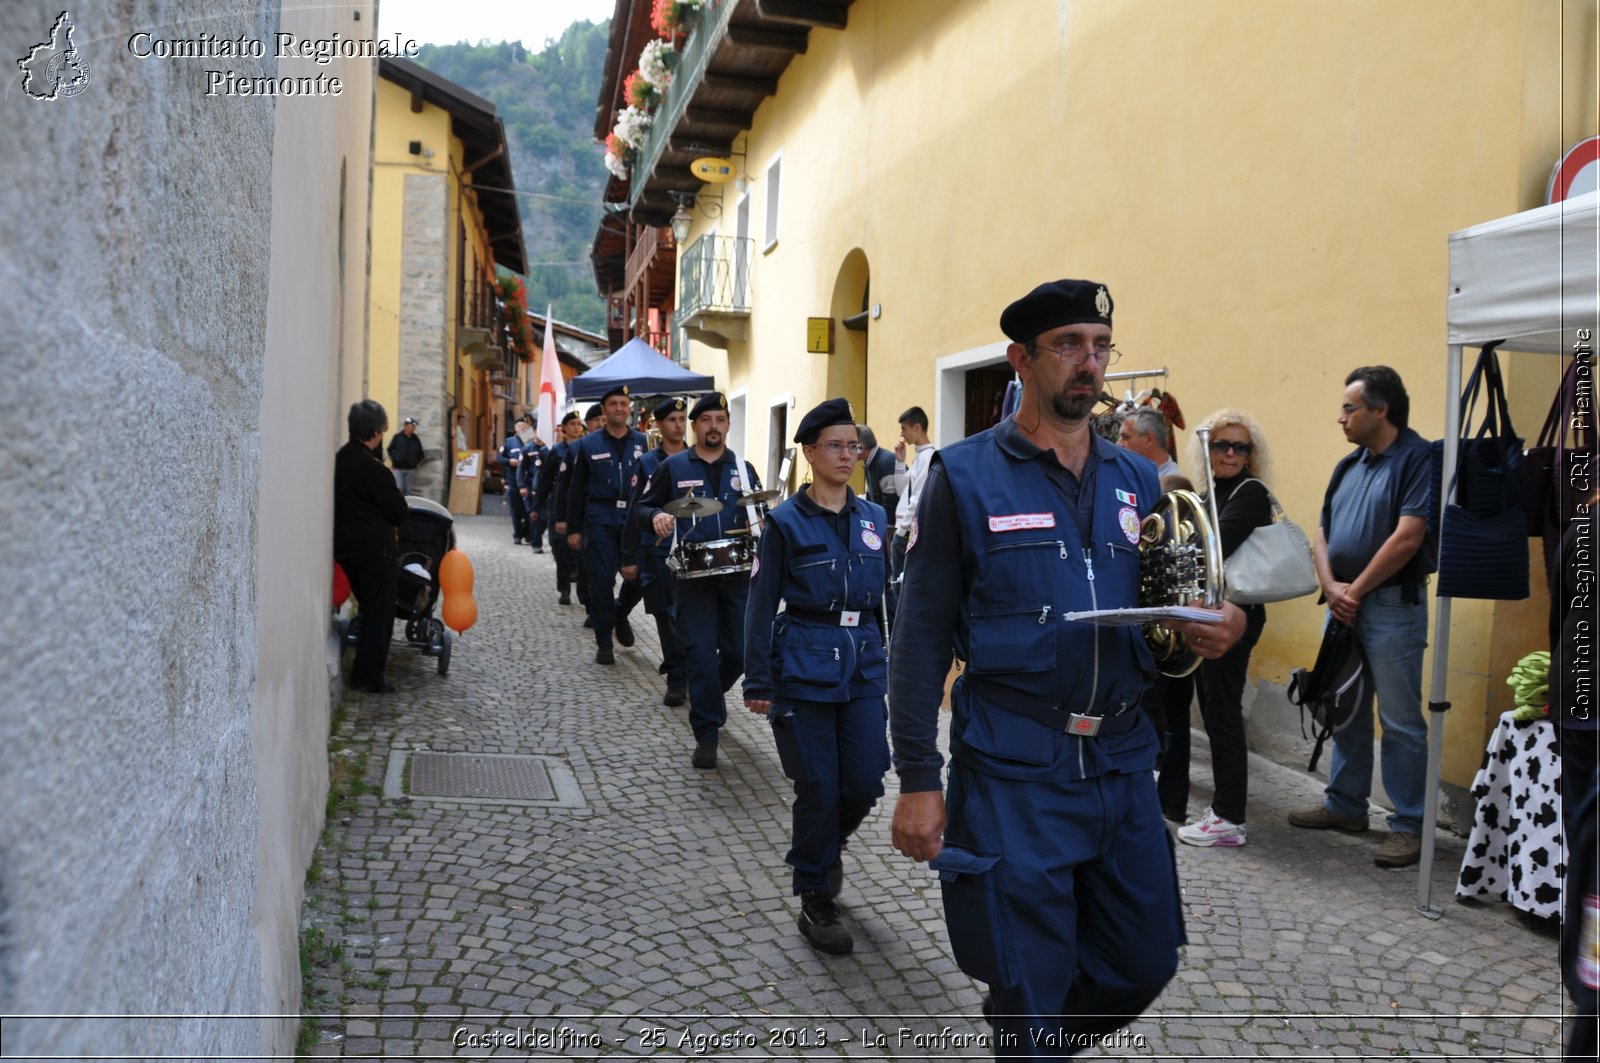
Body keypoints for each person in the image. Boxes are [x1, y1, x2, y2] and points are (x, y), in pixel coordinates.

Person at [888, 278, 1246, 1057]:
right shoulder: (964, 476)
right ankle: (1028, 1033)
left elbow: (1182, 607)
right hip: (1016, 768)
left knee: (1145, 958)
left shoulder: (1138, 480)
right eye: (1069, 346)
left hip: (1121, 763)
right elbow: (918, 640)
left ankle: (1032, 1035)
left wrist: (1223, 622)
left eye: (1100, 346)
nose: (1090, 363)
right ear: (1023, 359)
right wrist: (918, 776)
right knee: (1026, 975)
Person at [744, 398, 891, 956]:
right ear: (809, 452)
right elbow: (760, 605)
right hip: (803, 662)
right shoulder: (784, 523)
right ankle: (814, 894)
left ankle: (825, 848)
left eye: (853, 445)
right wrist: (758, 680)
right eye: (835, 445)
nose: (847, 455)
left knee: (867, 778)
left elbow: (887, 598)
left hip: (864, 664)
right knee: (818, 783)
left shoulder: (874, 517)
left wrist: (895, 660)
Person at [1290, 366, 1434, 869]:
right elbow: (1323, 532)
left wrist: (1355, 590)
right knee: (1344, 709)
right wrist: (1331, 588)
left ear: (1381, 410)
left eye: (1350, 408)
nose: (1341, 418)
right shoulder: (1349, 465)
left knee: (1400, 722)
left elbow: (1409, 536)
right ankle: (1345, 806)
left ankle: (1409, 825)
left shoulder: (1417, 458)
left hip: (1393, 606)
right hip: (1344, 607)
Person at [1162, 409, 1274, 848]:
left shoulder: (1249, 492)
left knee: (1223, 715)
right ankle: (1225, 812)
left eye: (1239, 446)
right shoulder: (1210, 494)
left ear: (1250, 454)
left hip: (1237, 615)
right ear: (1205, 449)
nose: (1229, 453)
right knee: (1214, 713)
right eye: (1220, 445)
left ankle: (1229, 817)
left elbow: (1206, 545)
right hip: (1213, 611)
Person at [632, 392, 762, 768]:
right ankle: (706, 734)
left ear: (728, 425)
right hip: (692, 576)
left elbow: (756, 509)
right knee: (702, 657)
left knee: (738, 652)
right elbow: (642, 507)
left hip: (737, 573)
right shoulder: (673, 467)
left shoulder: (742, 468)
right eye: (707, 420)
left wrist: (763, 522)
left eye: (721, 419)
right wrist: (655, 516)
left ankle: (708, 696)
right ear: (695, 426)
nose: (714, 427)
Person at [334, 399, 410, 694]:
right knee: (379, 616)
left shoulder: (340, 460)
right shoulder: (374, 469)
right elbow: (397, 511)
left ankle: (363, 672)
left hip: (345, 549)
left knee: (367, 610)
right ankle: (368, 677)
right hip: (375, 552)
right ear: (376, 432)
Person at [567, 387, 647, 664]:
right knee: (601, 581)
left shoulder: (643, 442)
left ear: (629, 408)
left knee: (638, 577)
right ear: (604, 409)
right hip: (600, 518)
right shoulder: (588, 445)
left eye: (623, 403)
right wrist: (573, 528)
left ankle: (620, 612)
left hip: (634, 518)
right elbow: (576, 489)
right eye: (613, 404)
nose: (619, 408)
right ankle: (604, 641)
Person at [622, 397, 691, 706]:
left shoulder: (696, 458)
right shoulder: (649, 462)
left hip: (692, 548)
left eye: (682, 419)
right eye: (672, 420)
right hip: (658, 550)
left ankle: (690, 671)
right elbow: (637, 510)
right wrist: (628, 556)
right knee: (666, 615)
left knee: (689, 617)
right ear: (660, 426)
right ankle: (677, 677)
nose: (678, 425)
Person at [888, 407, 934, 618]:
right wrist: (900, 460)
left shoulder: (928, 457)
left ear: (917, 427)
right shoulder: (920, 458)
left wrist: (902, 531)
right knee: (898, 582)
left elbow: (917, 499)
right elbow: (901, 490)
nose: (902, 434)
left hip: (907, 531)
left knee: (900, 584)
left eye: (904, 428)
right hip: (904, 528)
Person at [534, 411, 584, 604]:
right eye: (572, 424)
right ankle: (564, 588)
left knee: (581, 552)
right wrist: (536, 507)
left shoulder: (585, 448)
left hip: (580, 506)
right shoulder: (555, 451)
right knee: (561, 550)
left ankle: (582, 588)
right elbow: (546, 481)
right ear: (564, 429)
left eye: (578, 424)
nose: (576, 427)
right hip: (559, 505)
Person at [1117, 406, 1181, 480]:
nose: (1119, 444)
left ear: (1149, 439)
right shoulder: (1139, 474)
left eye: (1125, 437)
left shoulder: (1173, 485)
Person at [859, 424, 900, 528]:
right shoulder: (869, 462)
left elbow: (891, 504)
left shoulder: (886, 461)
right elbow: (871, 495)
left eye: (851, 446)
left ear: (861, 448)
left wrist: (887, 538)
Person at [518, 421, 548, 553]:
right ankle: (537, 544)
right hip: (531, 486)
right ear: (534, 432)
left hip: (545, 486)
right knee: (535, 515)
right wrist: (522, 486)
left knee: (545, 517)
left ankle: (535, 535)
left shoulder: (549, 449)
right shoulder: (527, 448)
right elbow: (520, 469)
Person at [499, 416, 530, 544]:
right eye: (519, 426)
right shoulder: (509, 442)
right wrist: (509, 461)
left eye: (524, 426)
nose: (522, 428)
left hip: (528, 480)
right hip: (513, 480)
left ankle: (528, 534)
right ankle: (517, 535)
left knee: (529, 509)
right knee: (515, 509)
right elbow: (500, 458)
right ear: (515, 429)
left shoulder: (532, 441)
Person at [386, 416, 424, 493]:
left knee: (408, 490)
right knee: (399, 488)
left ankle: (406, 505)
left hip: (411, 470)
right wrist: (395, 458)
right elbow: (389, 449)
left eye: (414, 427)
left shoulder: (416, 439)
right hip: (398, 469)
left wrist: (416, 462)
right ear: (406, 426)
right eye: (412, 426)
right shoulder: (397, 437)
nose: (414, 428)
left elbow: (421, 453)